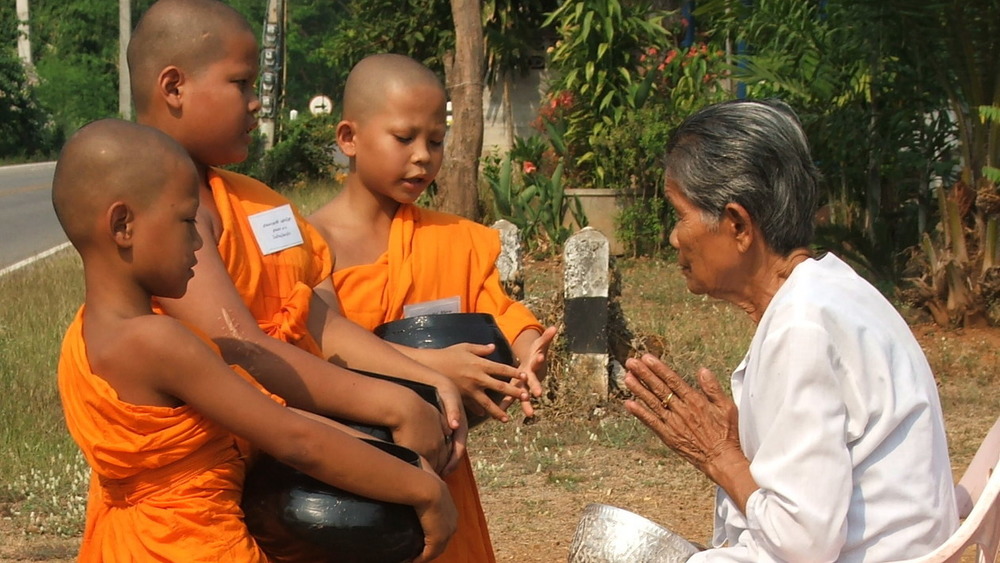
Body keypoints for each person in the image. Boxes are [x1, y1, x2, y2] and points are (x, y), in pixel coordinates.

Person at [125, 0, 506, 478]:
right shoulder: (163, 211)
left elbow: (315, 320)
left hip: (289, 460)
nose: (257, 102)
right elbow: (238, 343)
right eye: (240, 83)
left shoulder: (257, 203)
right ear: (175, 86)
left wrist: (421, 377)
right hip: (205, 478)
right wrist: (389, 407)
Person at [52, 119, 457, 562]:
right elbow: (293, 439)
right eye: (187, 221)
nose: (199, 241)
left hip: (127, 543)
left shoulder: (85, 334)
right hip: (194, 543)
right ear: (123, 225)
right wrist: (423, 490)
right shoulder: (159, 341)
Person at [622, 99, 958, 561]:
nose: (674, 238)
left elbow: (801, 545)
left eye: (679, 215)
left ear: (738, 225)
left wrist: (722, 458)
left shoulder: (802, 326)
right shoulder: (832, 291)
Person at [307, 53, 558, 562]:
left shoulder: (452, 239)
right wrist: (430, 368)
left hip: (440, 467)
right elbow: (311, 353)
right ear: (348, 138)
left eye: (436, 141)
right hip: (344, 473)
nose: (423, 156)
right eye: (404, 138)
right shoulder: (307, 245)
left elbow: (498, 310)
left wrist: (528, 346)